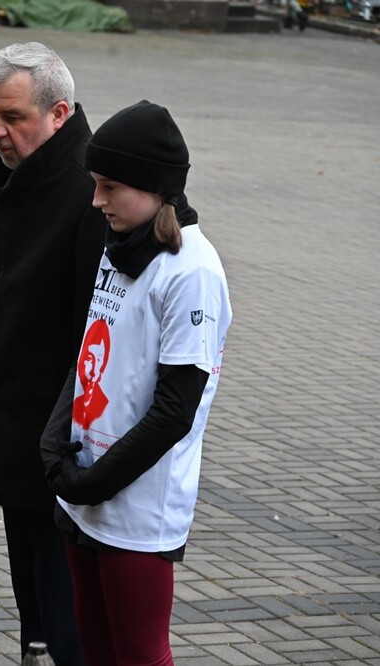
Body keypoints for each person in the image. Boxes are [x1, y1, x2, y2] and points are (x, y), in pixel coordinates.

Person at [40, 100, 232, 665]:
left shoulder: (191, 271)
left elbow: (175, 411)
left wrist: (96, 482)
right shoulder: (119, 243)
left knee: (140, 656)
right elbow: (88, 352)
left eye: (109, 187)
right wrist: (55, 447)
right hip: (84, 488)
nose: (96, 200)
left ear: (154, 188)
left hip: (135, 507)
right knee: (93, 651)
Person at [0, 42, 106, 665]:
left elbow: (90, 334)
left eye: (13, 117)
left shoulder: (89, 194)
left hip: (60, 445)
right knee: (35, 618)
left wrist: (60, 437)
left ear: (59, 113)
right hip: (15, 426)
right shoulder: (24, 178)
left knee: (64, 612)